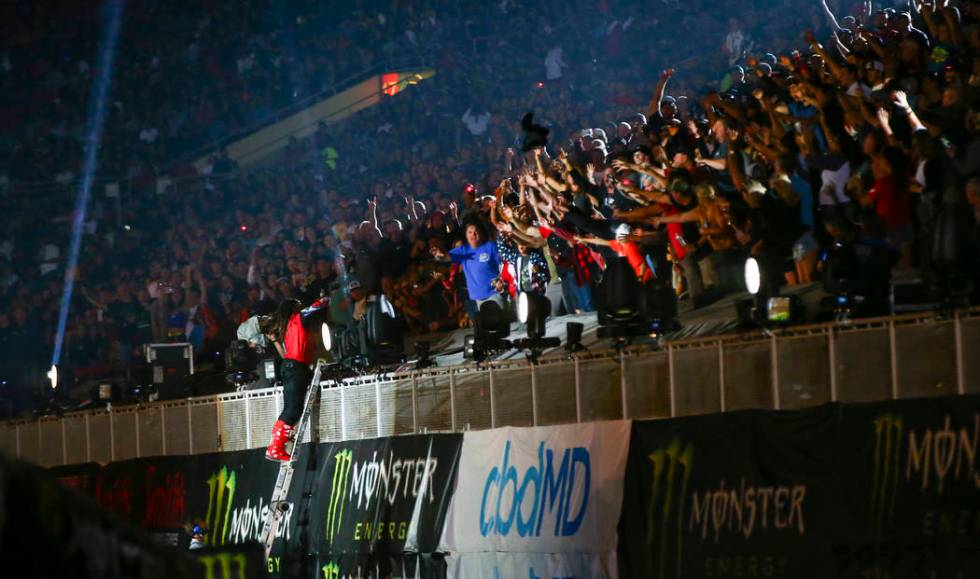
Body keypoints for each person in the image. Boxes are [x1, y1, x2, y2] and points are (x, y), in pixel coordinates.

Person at [260, 297, 327, 462]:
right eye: (298, 306)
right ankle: (275, 447)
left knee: (292, 408)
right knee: (292, 410)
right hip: (296, 367)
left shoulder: (287, 326)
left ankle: (277, 443)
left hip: (293, 366)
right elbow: (314, 307)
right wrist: (326, 299)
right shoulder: (298, 318)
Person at [430, 220, 503, 309]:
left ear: (481, 233)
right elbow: (445, 257)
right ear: (466, 235)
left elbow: (501, 266)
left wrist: (501, 281)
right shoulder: (463, 250)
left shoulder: (490, 246)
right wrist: (438, 255)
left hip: (495, 294)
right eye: (470, 232)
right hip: (477, 299)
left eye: (476, 231)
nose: (473, 234)